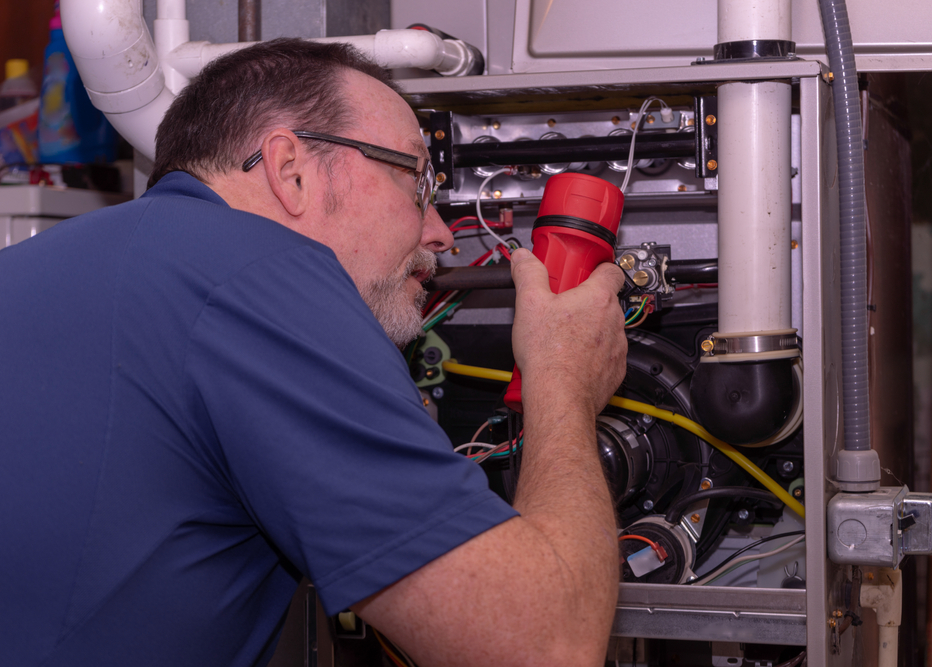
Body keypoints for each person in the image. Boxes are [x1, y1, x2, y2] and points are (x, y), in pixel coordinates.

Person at [0, 39, 627, 667]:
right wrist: (563, 379)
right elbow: (546, 647)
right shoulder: (260, 273)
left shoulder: (39, 268)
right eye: (418, 178)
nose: (439, 231)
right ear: (291, 169)